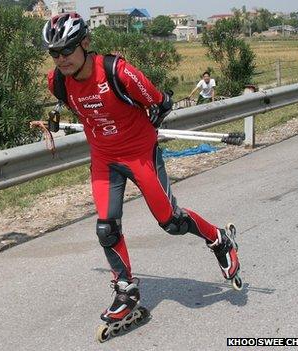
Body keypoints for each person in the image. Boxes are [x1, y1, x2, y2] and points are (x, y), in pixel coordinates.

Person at [41, 13, 241, 332]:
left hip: (139, 155)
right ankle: (126, 291)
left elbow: (160, 104)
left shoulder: (117, 72)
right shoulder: (58, 82)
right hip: (104, 160)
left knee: (171, 223)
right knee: (106, 229)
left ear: (86, 44)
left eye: (66, 50)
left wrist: (145, 125)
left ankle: (219, 239)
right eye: (54, 53)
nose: (61, 59)